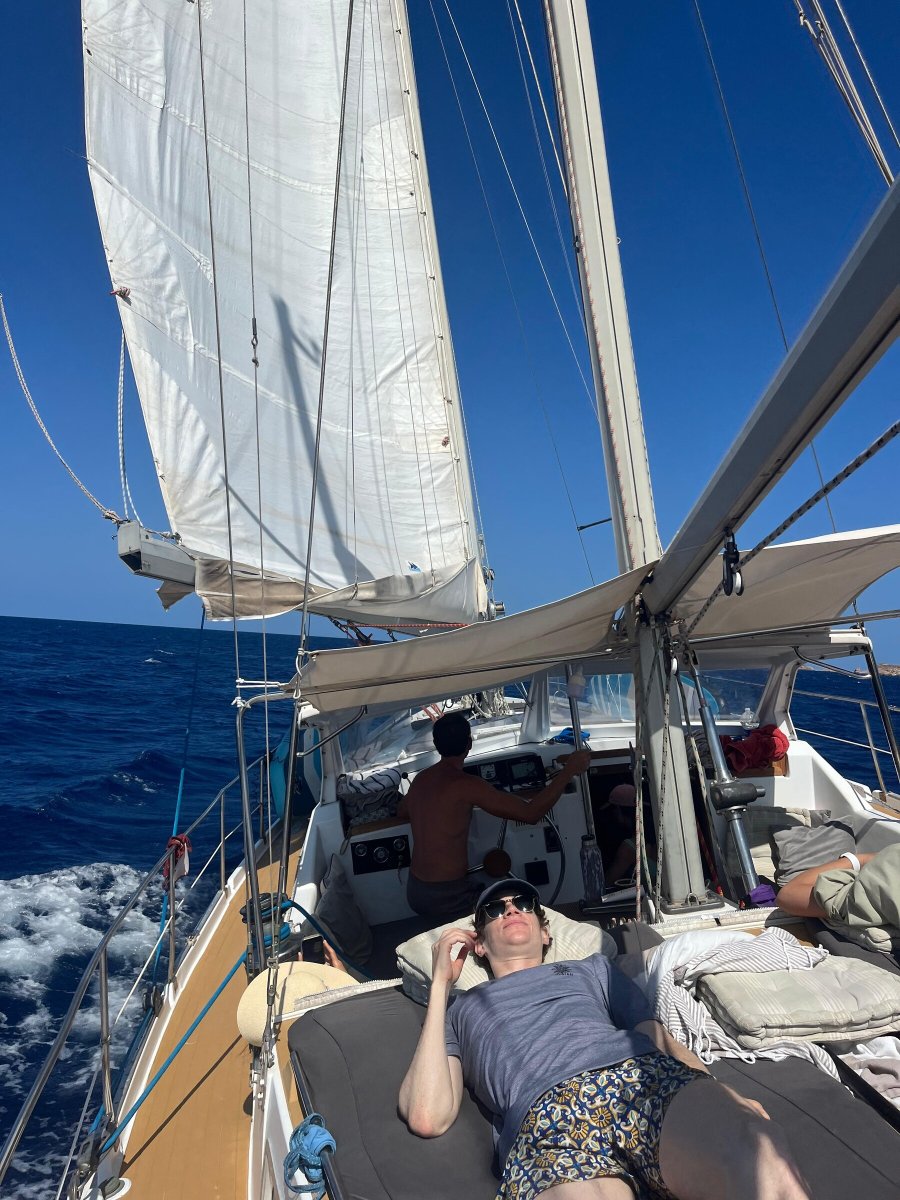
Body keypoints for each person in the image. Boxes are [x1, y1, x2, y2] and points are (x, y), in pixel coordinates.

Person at [399, 877, 811, 1200]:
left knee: (759, 1147)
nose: (511, 909)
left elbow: (652, 1034)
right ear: (480, 947)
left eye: (524, 904)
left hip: (638, 1078)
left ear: (546, 934)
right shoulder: (462, 1008)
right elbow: (426, 1115)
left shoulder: (590, 969)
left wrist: (717, 1089)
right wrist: (440, 985)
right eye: (495, 909)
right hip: (546, 1119)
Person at [397, 713, 591, 919]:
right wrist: (568, 771)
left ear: (436, 745)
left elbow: (402, 811)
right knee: (516, 914)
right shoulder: (467, 784)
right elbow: (531, 813)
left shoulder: (420, 780)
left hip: (416, 891)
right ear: (469, 744)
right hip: (449, 898)